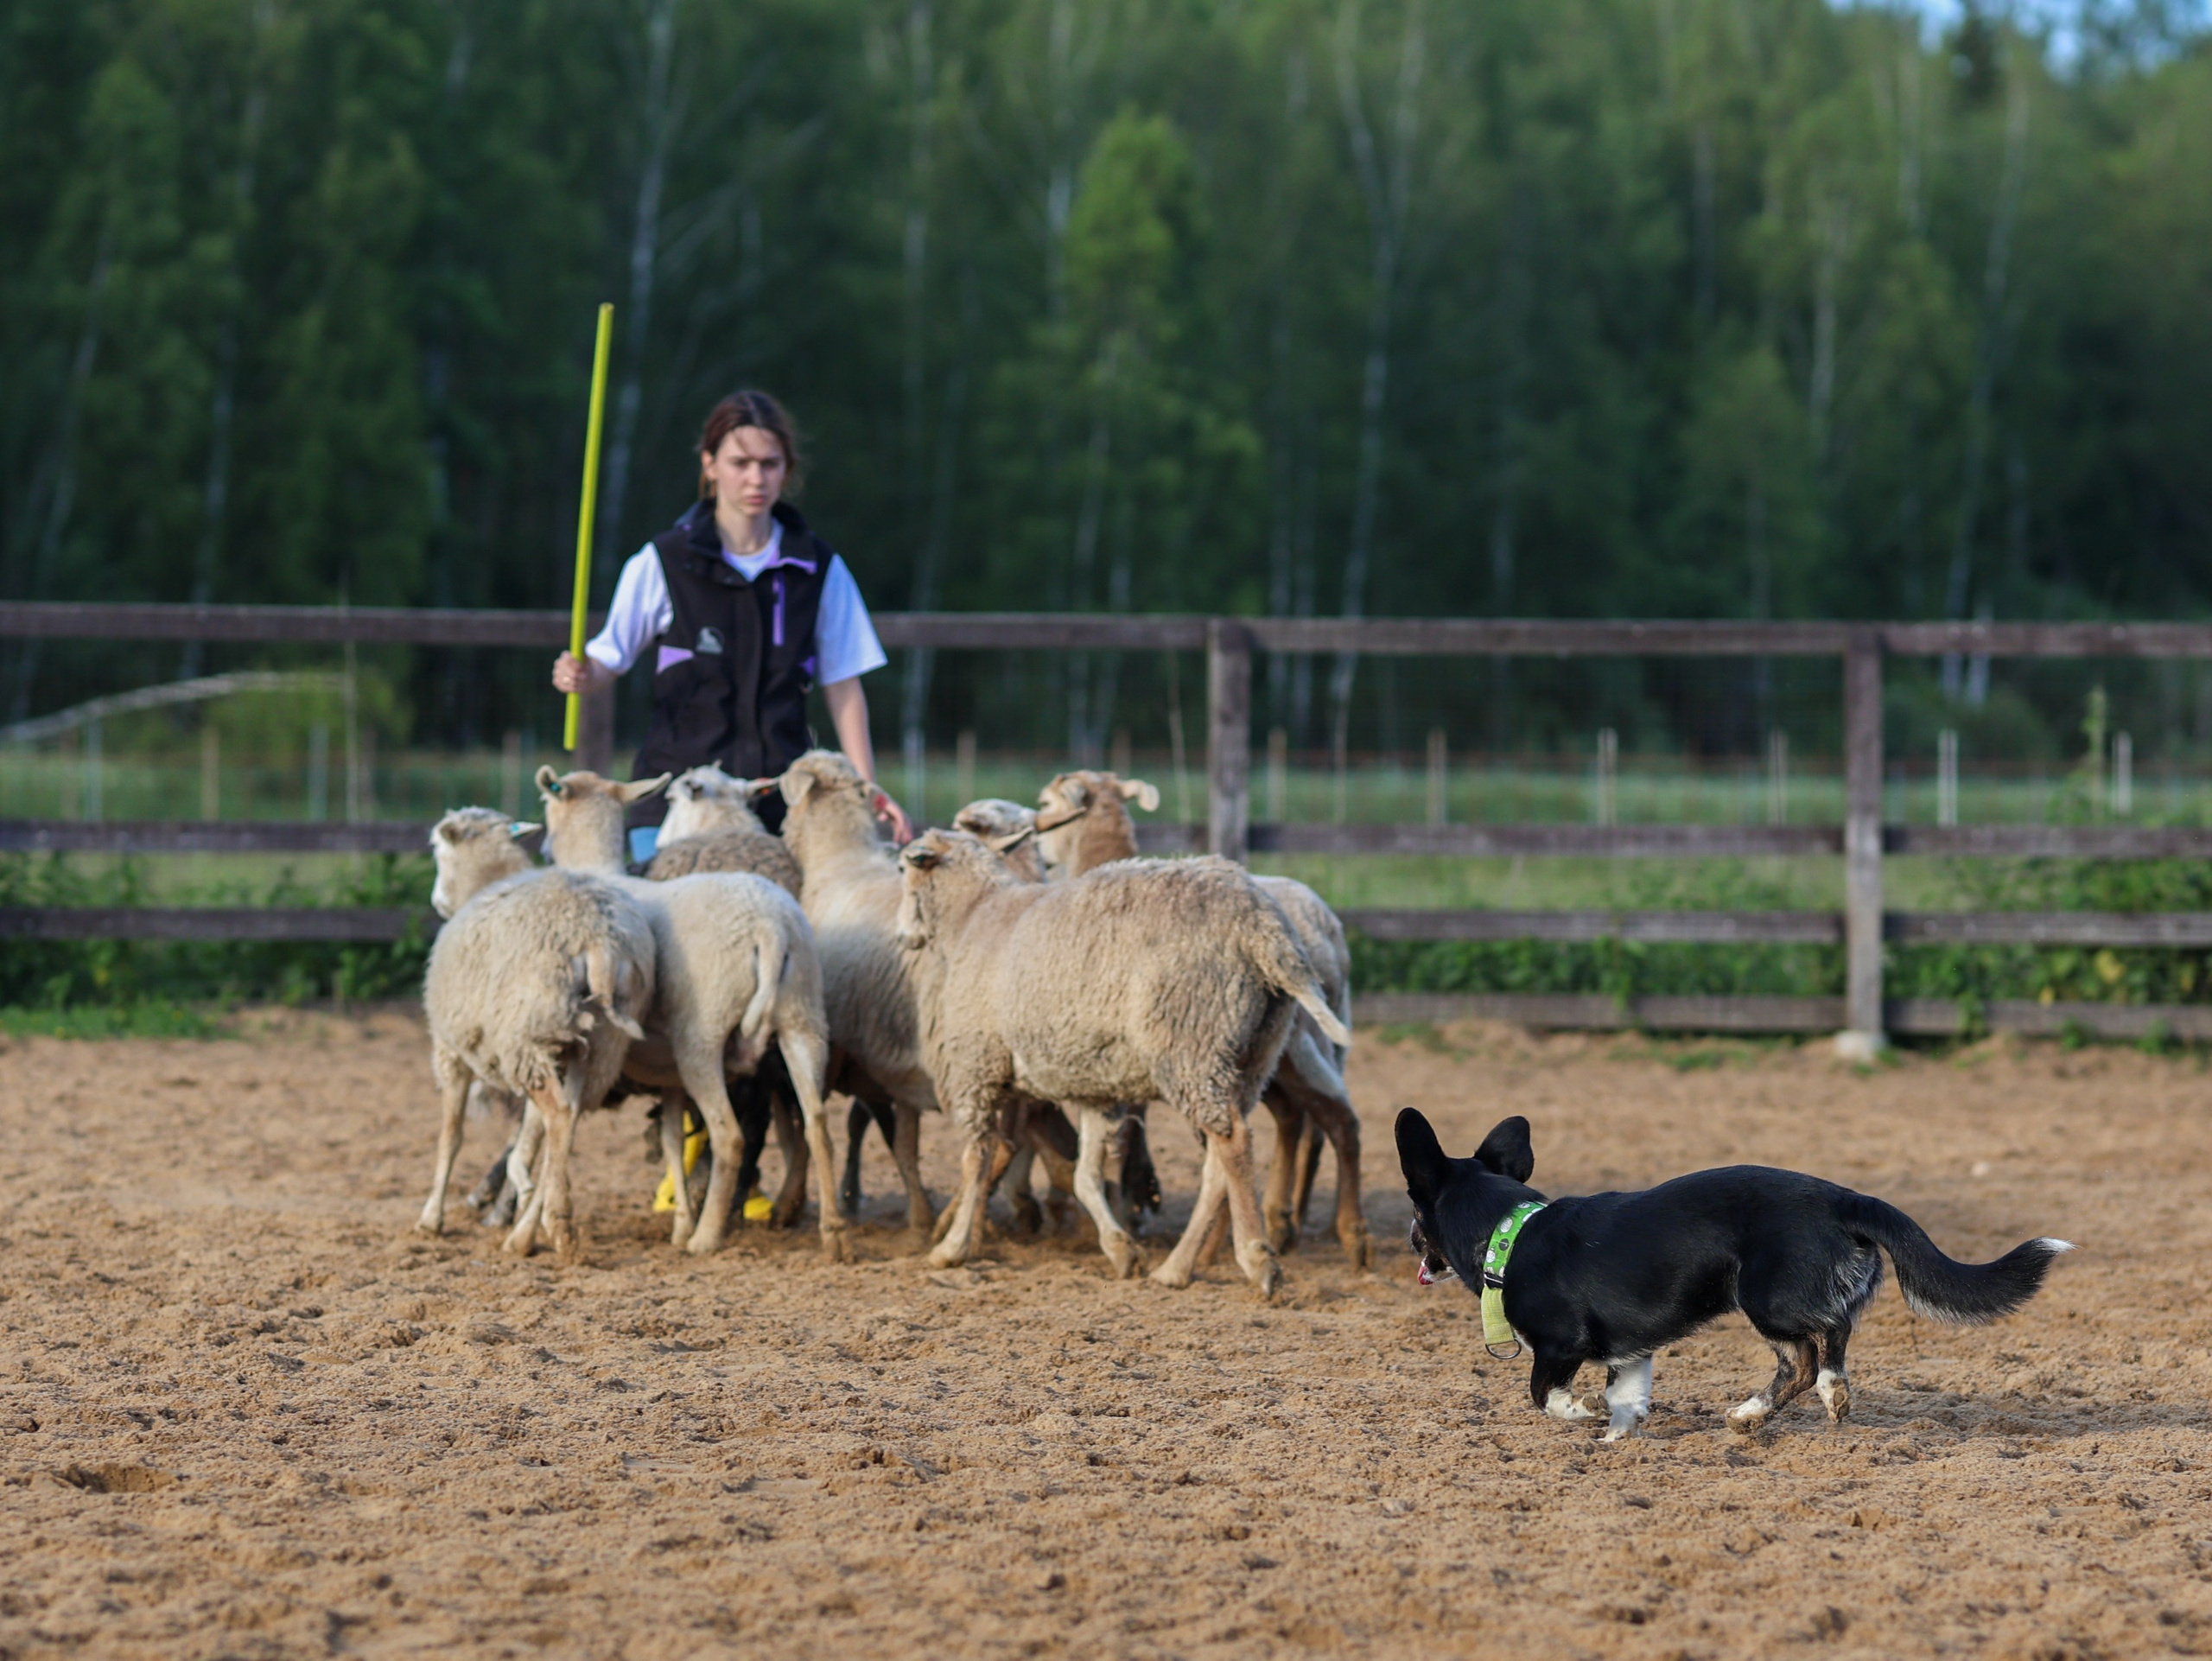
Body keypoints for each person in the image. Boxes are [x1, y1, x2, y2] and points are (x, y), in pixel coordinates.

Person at [552, 390, 911, 847]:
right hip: (676, 808)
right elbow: (609, 657)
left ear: (788, 469)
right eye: (740, 463)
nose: (755, 478)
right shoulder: (662, 561)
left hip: (782, 811)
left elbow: (844, 685)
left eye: (770, 463)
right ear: (710, 464)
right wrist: (581, 673)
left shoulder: (818, 567)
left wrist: (867, 790)